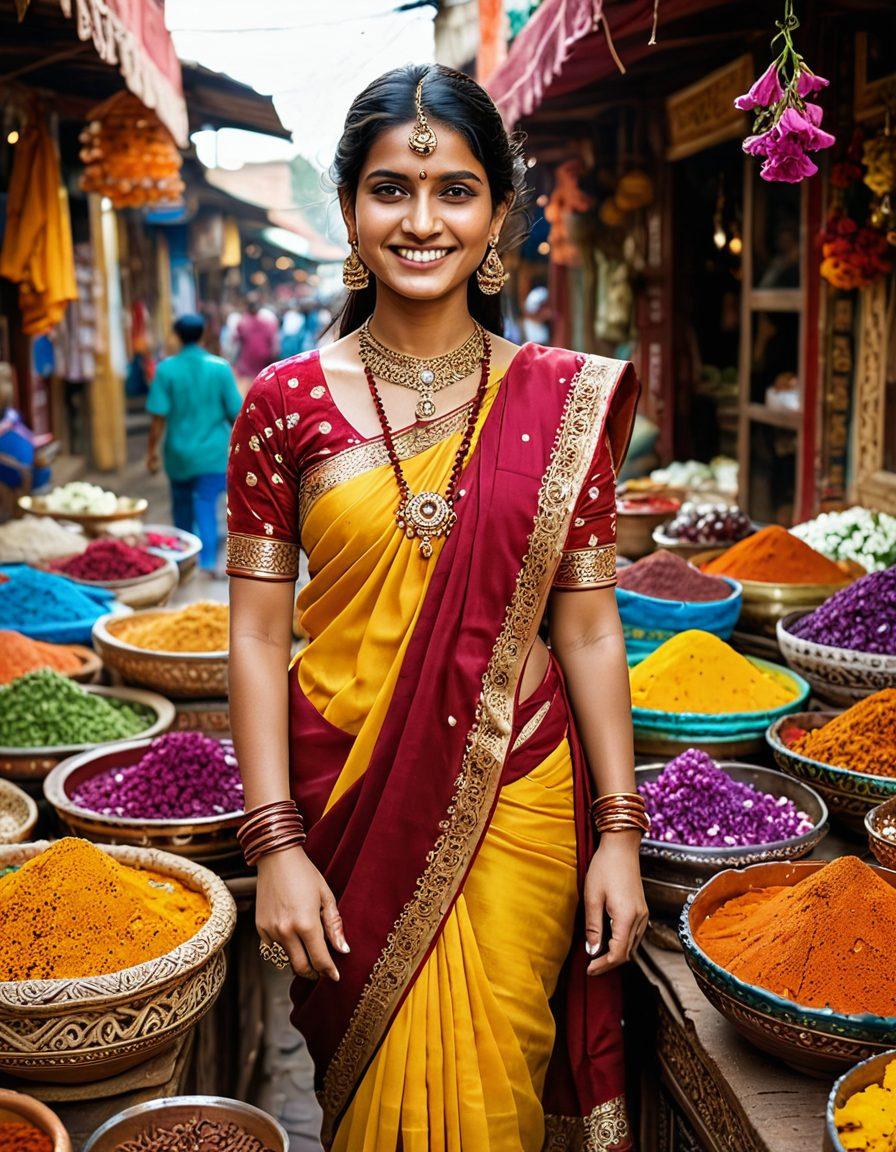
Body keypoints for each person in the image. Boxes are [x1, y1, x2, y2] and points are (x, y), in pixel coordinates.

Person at [226, 64, 646, 1152]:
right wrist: (274, 842)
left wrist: (619, 834)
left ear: (500, 212)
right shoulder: (284, 404)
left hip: (520, 797)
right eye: (389, 191)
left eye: (454, 191)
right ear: (349, 206)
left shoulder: (559, 401)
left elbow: (589, 627)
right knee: (371, 1099)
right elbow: (257, 632)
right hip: (345, 793)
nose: (421, 222)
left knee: (492, 1095)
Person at [146, 313, 243, 575]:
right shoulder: (220, 367)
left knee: (181, 507)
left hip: (177, 454)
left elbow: (158, 417)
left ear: (177, 336)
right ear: (202, 335)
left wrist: (151, 453)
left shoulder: (166, 369)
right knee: (206, 504)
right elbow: (237, 412)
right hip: (212, 455)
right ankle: (208, 562)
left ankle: (183, 560)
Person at [235, 293, 279, 384]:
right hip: (262, 358)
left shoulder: (243, 322)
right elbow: (272, 340)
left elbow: (238, 340)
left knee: (250, 384)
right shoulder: (267, 321)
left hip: (249, 359)